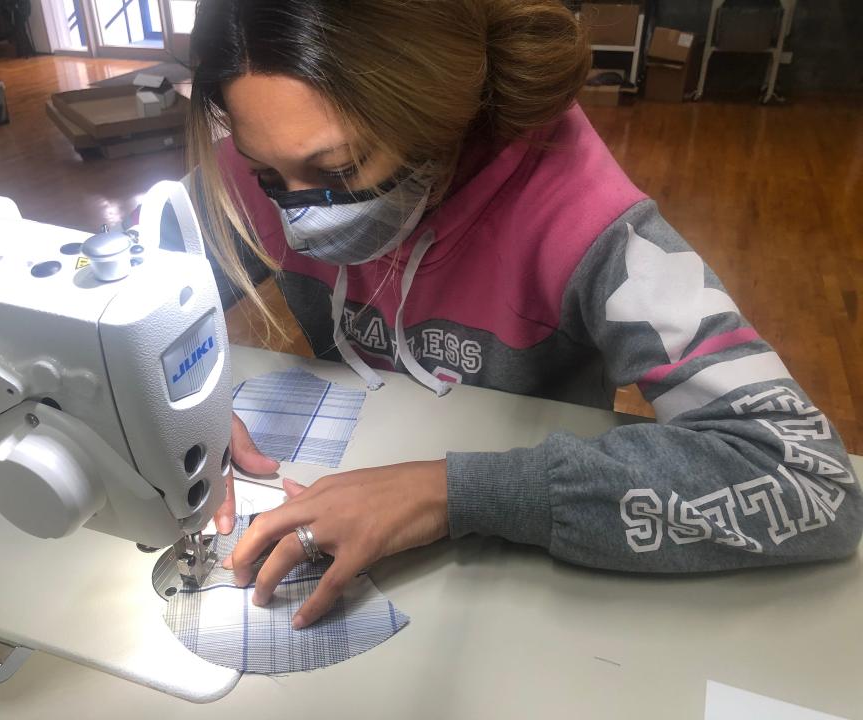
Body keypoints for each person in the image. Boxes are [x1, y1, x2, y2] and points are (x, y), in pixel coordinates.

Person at [186, 0, 862, 630]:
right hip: (345, 479)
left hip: (518, 583)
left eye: (340, 168)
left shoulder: (584, 220)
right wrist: (178, 402)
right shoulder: (270, 148)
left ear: (435, 114)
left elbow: (811, 479)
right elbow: (112, 306)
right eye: (269, 177)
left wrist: (454, 495)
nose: (299, 217)